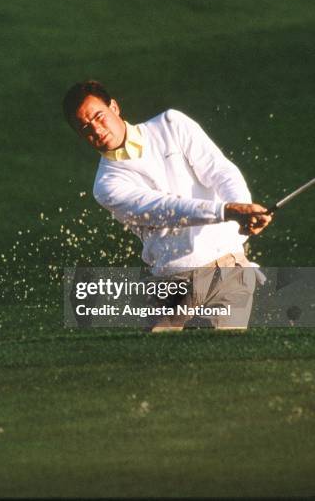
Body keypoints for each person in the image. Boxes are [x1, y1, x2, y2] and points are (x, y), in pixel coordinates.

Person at [63, 80, 273, 330]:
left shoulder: (171, 124)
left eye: (99, 117)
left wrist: (243, 208)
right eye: (85, 127)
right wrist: (228, 211)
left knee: (224, 363)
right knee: (160, 365)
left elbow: (221, 171)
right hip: (174, 281)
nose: (96, 130)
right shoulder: (107, 185)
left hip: (228, 267)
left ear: (115, 108)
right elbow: (167, 210)